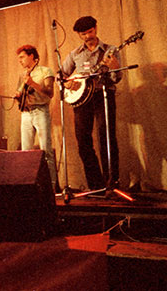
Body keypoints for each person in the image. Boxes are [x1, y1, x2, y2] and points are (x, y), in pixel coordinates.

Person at [61, 16, 122, 191]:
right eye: (83, 34)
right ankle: (96, 185)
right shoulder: (75, 54)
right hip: (82, 100)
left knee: (106, 139)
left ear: (96, 28)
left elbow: (117, 78)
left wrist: (114, 67)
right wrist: (68, 83)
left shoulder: (110, 50)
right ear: (79, 35)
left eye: (90, 32)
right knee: (83, 141)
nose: (87, 36)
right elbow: (62, 75)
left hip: (103, 95)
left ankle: (112, 183)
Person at [14, 45, 58, 191]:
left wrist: (33, 83)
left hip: (40, 111)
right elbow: (20, 90)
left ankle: (51, 188)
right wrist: (18, 95)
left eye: (22, 57)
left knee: (46, 151)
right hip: (26, 113)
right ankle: (28, 187)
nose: (20, 60)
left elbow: (49, 92)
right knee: (26, 153)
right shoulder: (22, 74)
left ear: (32, 55)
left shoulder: (45, 71)